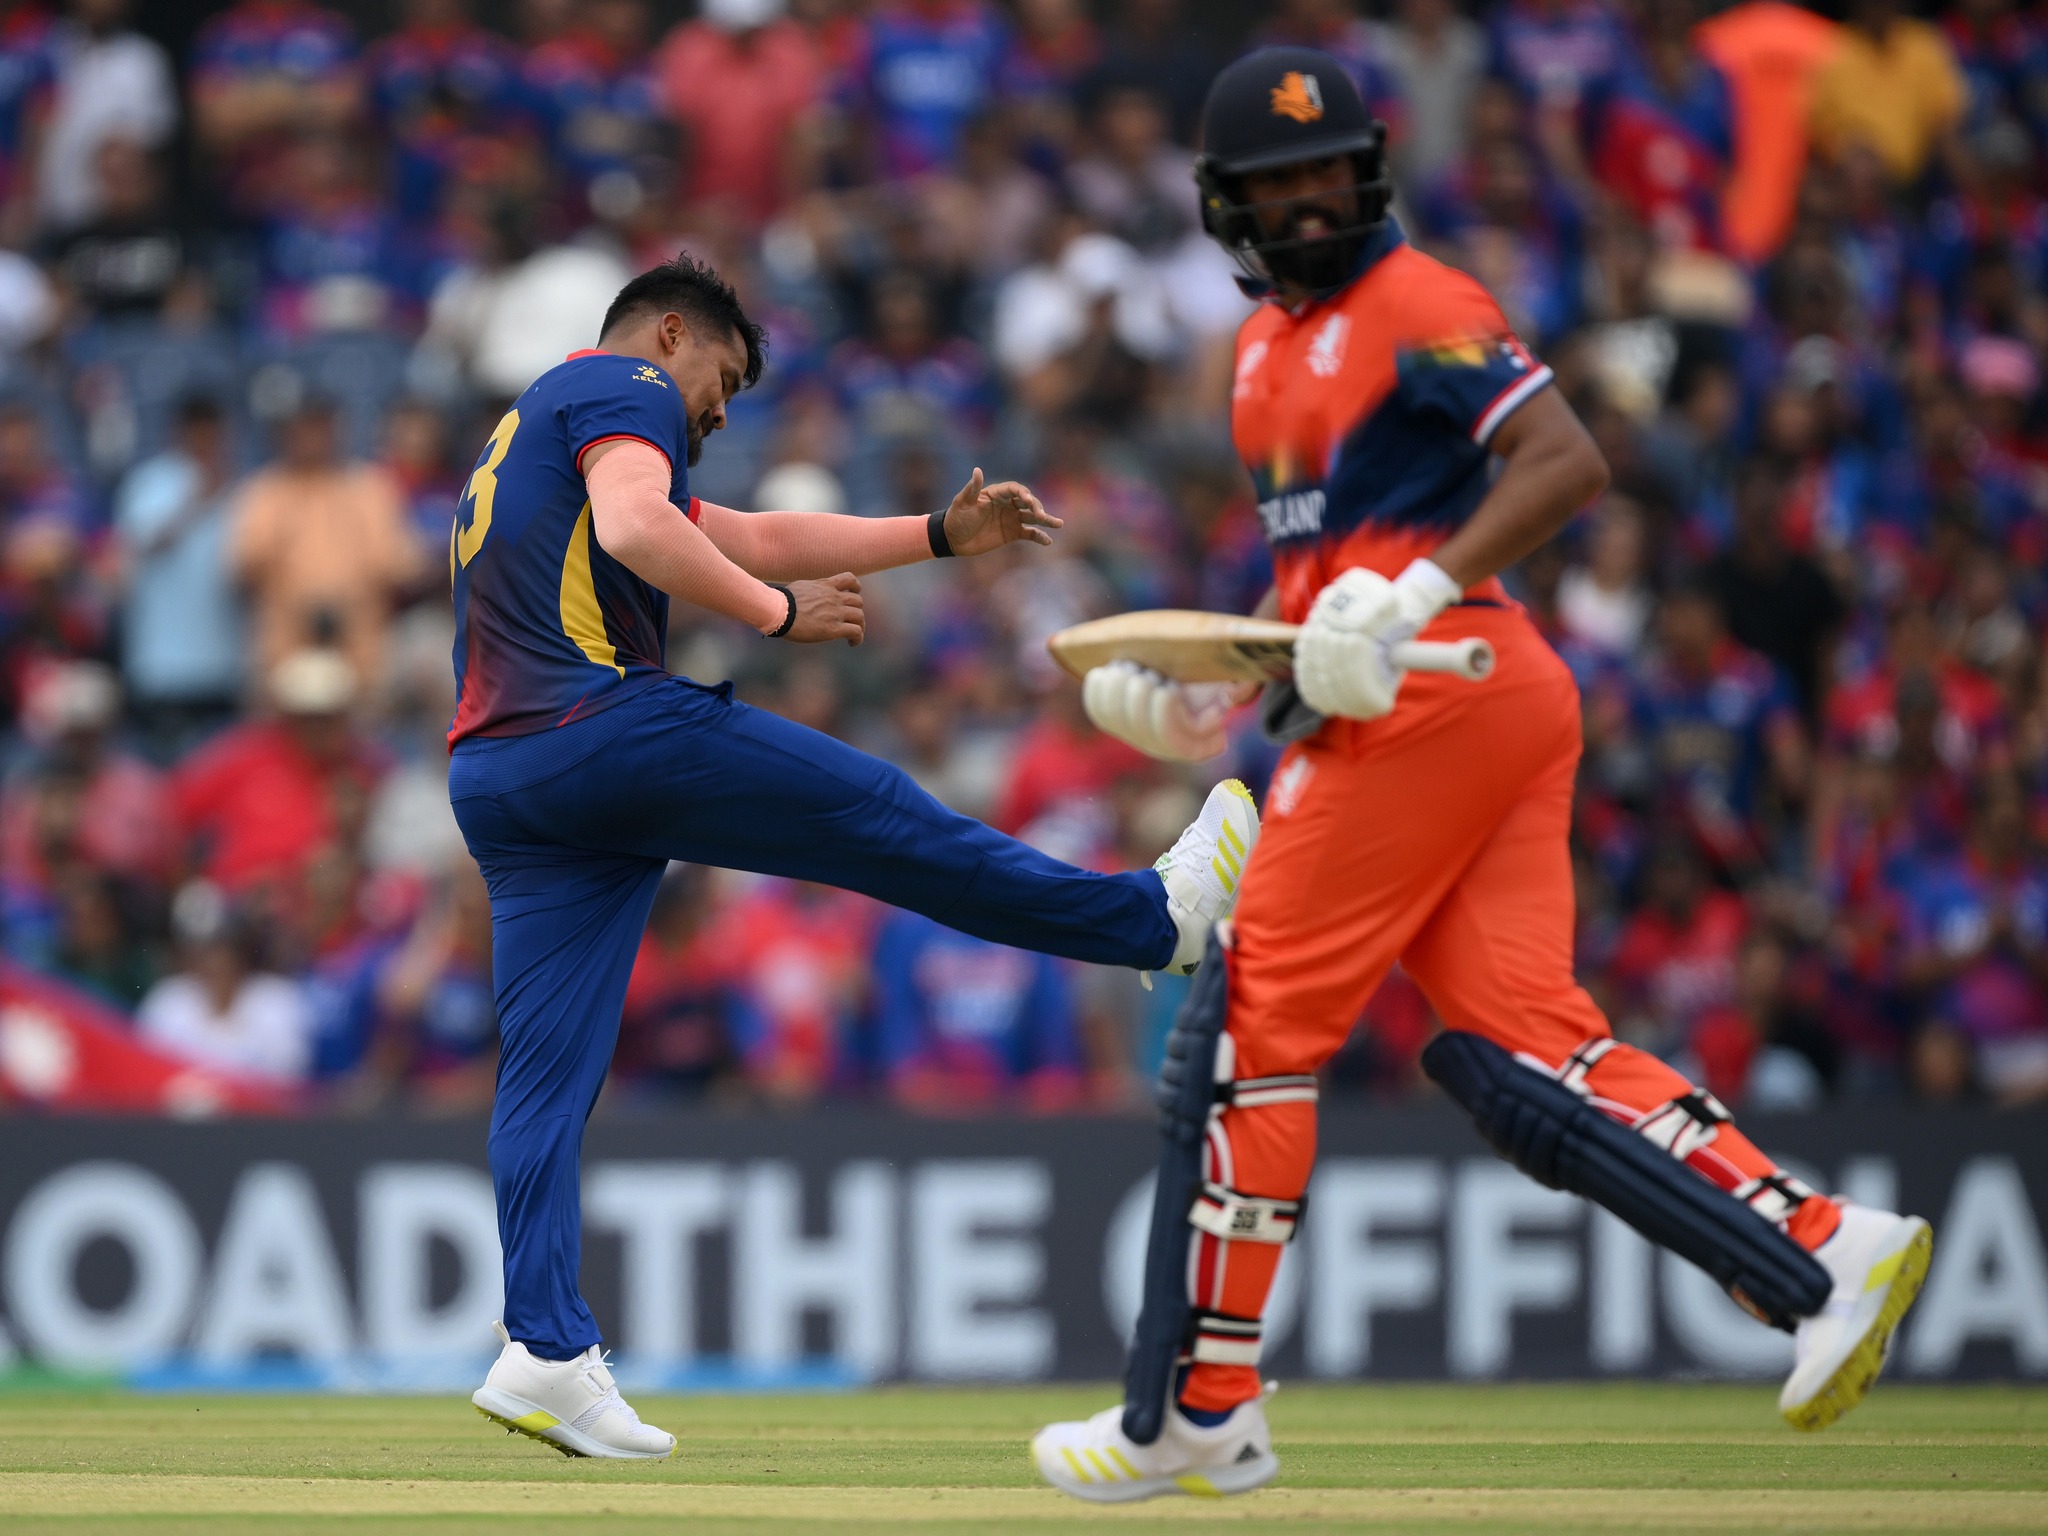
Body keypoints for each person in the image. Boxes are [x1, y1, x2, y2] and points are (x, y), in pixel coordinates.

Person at [1039, 47, 1932, 1503]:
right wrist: (1212, 693)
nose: (1310, 202)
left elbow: (1564, 463)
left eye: (1328, 172)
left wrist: (1413, 595)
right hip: (1452, 698)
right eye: (1279, 183)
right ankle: (1820, 1247)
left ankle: (1193, 1407)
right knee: (1521, 1052)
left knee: (1245, 1032)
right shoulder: (1259, 357)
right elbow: (1319, 597)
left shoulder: (1424, 303)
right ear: (1228, 205)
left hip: (1445, 685)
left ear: (1368, 171)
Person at [452, 253, 1257, 1459]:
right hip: (597, 731)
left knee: (543, 1081)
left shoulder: (541, 424)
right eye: (723, 379)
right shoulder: (624, 384)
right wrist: (773, 617)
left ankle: (545, 1351)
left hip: (501, 779)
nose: (721, 411)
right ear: (668, 335)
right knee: (880, 814)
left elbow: (756, 531)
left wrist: (933, 535)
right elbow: (638, 526)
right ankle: (1153, 923)